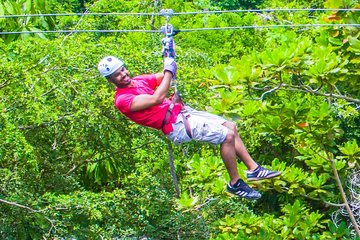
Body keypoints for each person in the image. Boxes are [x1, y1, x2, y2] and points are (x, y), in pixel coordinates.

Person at [97, 55, 281, 200]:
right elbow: (157, 98)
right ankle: (235, 183)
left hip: (182, 113)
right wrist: (169, 70)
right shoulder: (122, 100)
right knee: (226, 136)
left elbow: (164, 76)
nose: (123, 74)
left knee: (230, 126)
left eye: (122, 70)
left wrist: (169, 58)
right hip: (175, 125)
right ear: (111, 80)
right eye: (118, 75)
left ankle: (254, 169)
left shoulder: (138, 81)